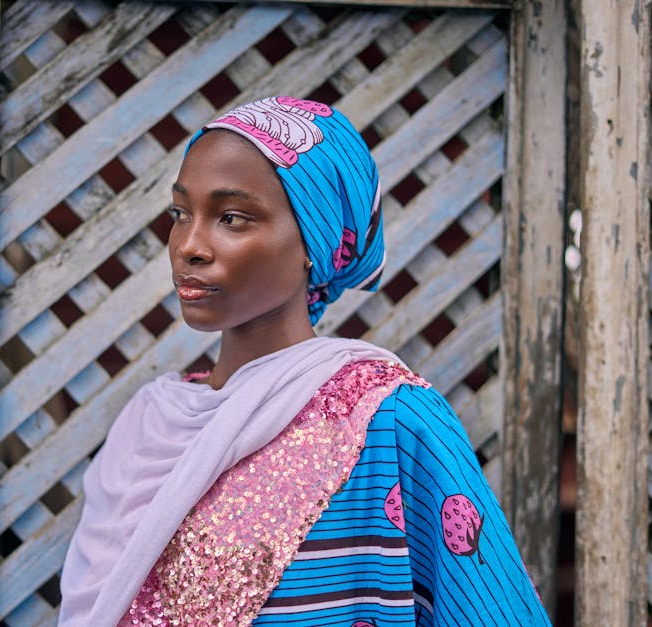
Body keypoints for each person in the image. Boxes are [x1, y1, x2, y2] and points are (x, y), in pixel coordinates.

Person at [58, 96, 550, 626]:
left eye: (231, 217)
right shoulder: (149, 421)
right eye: (181, 214)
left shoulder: (386, 418)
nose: (189, 246)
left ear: (314, 240)